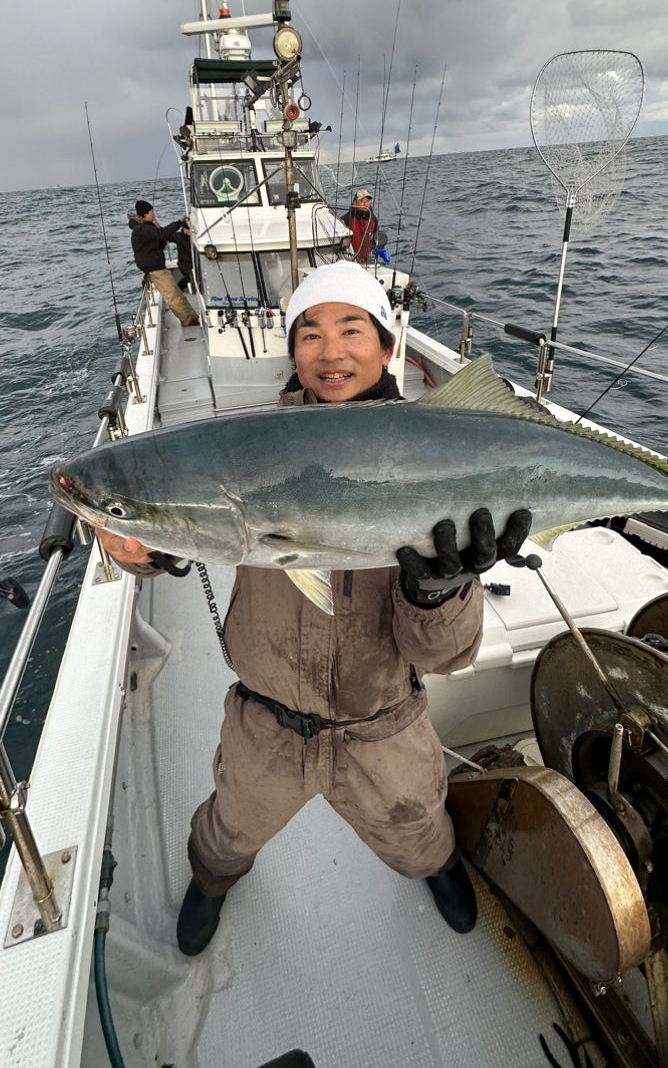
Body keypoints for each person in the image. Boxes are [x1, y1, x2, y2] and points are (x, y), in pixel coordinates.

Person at [97, 262, 531, 956]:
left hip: (384, 724)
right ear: (292, 351)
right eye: (310, 334)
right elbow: (193, 531)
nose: (331, 352)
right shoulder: (243, 452)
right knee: (228, 829)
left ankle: (438, 869)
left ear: (389, 344)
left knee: (419, 827)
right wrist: (145, 549)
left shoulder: (445, 445)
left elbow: (444, 656)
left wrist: (438, 590)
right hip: (265, 720)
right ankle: (212, 880)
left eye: (352, 329)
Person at [128, 201, 199, 326]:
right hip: (155, 269)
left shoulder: (147, 228)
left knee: (177, 293)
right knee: (172, 296)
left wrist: (159, 231)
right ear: (145, 214)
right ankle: (188, 321)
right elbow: (161, 234)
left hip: (159, 266)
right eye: (151, 212)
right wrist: (178, 223)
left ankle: (193, 317)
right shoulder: (141, 229)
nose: (153, 214)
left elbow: (160, 242)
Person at [345, 188, 379, 263]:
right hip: (351, 261)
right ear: (354, 203)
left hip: (369, 261)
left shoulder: (373, 219)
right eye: (361, 201)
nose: (365, 203)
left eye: (367, 201)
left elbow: (376, 238)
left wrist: (380, 249)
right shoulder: (347, 219)